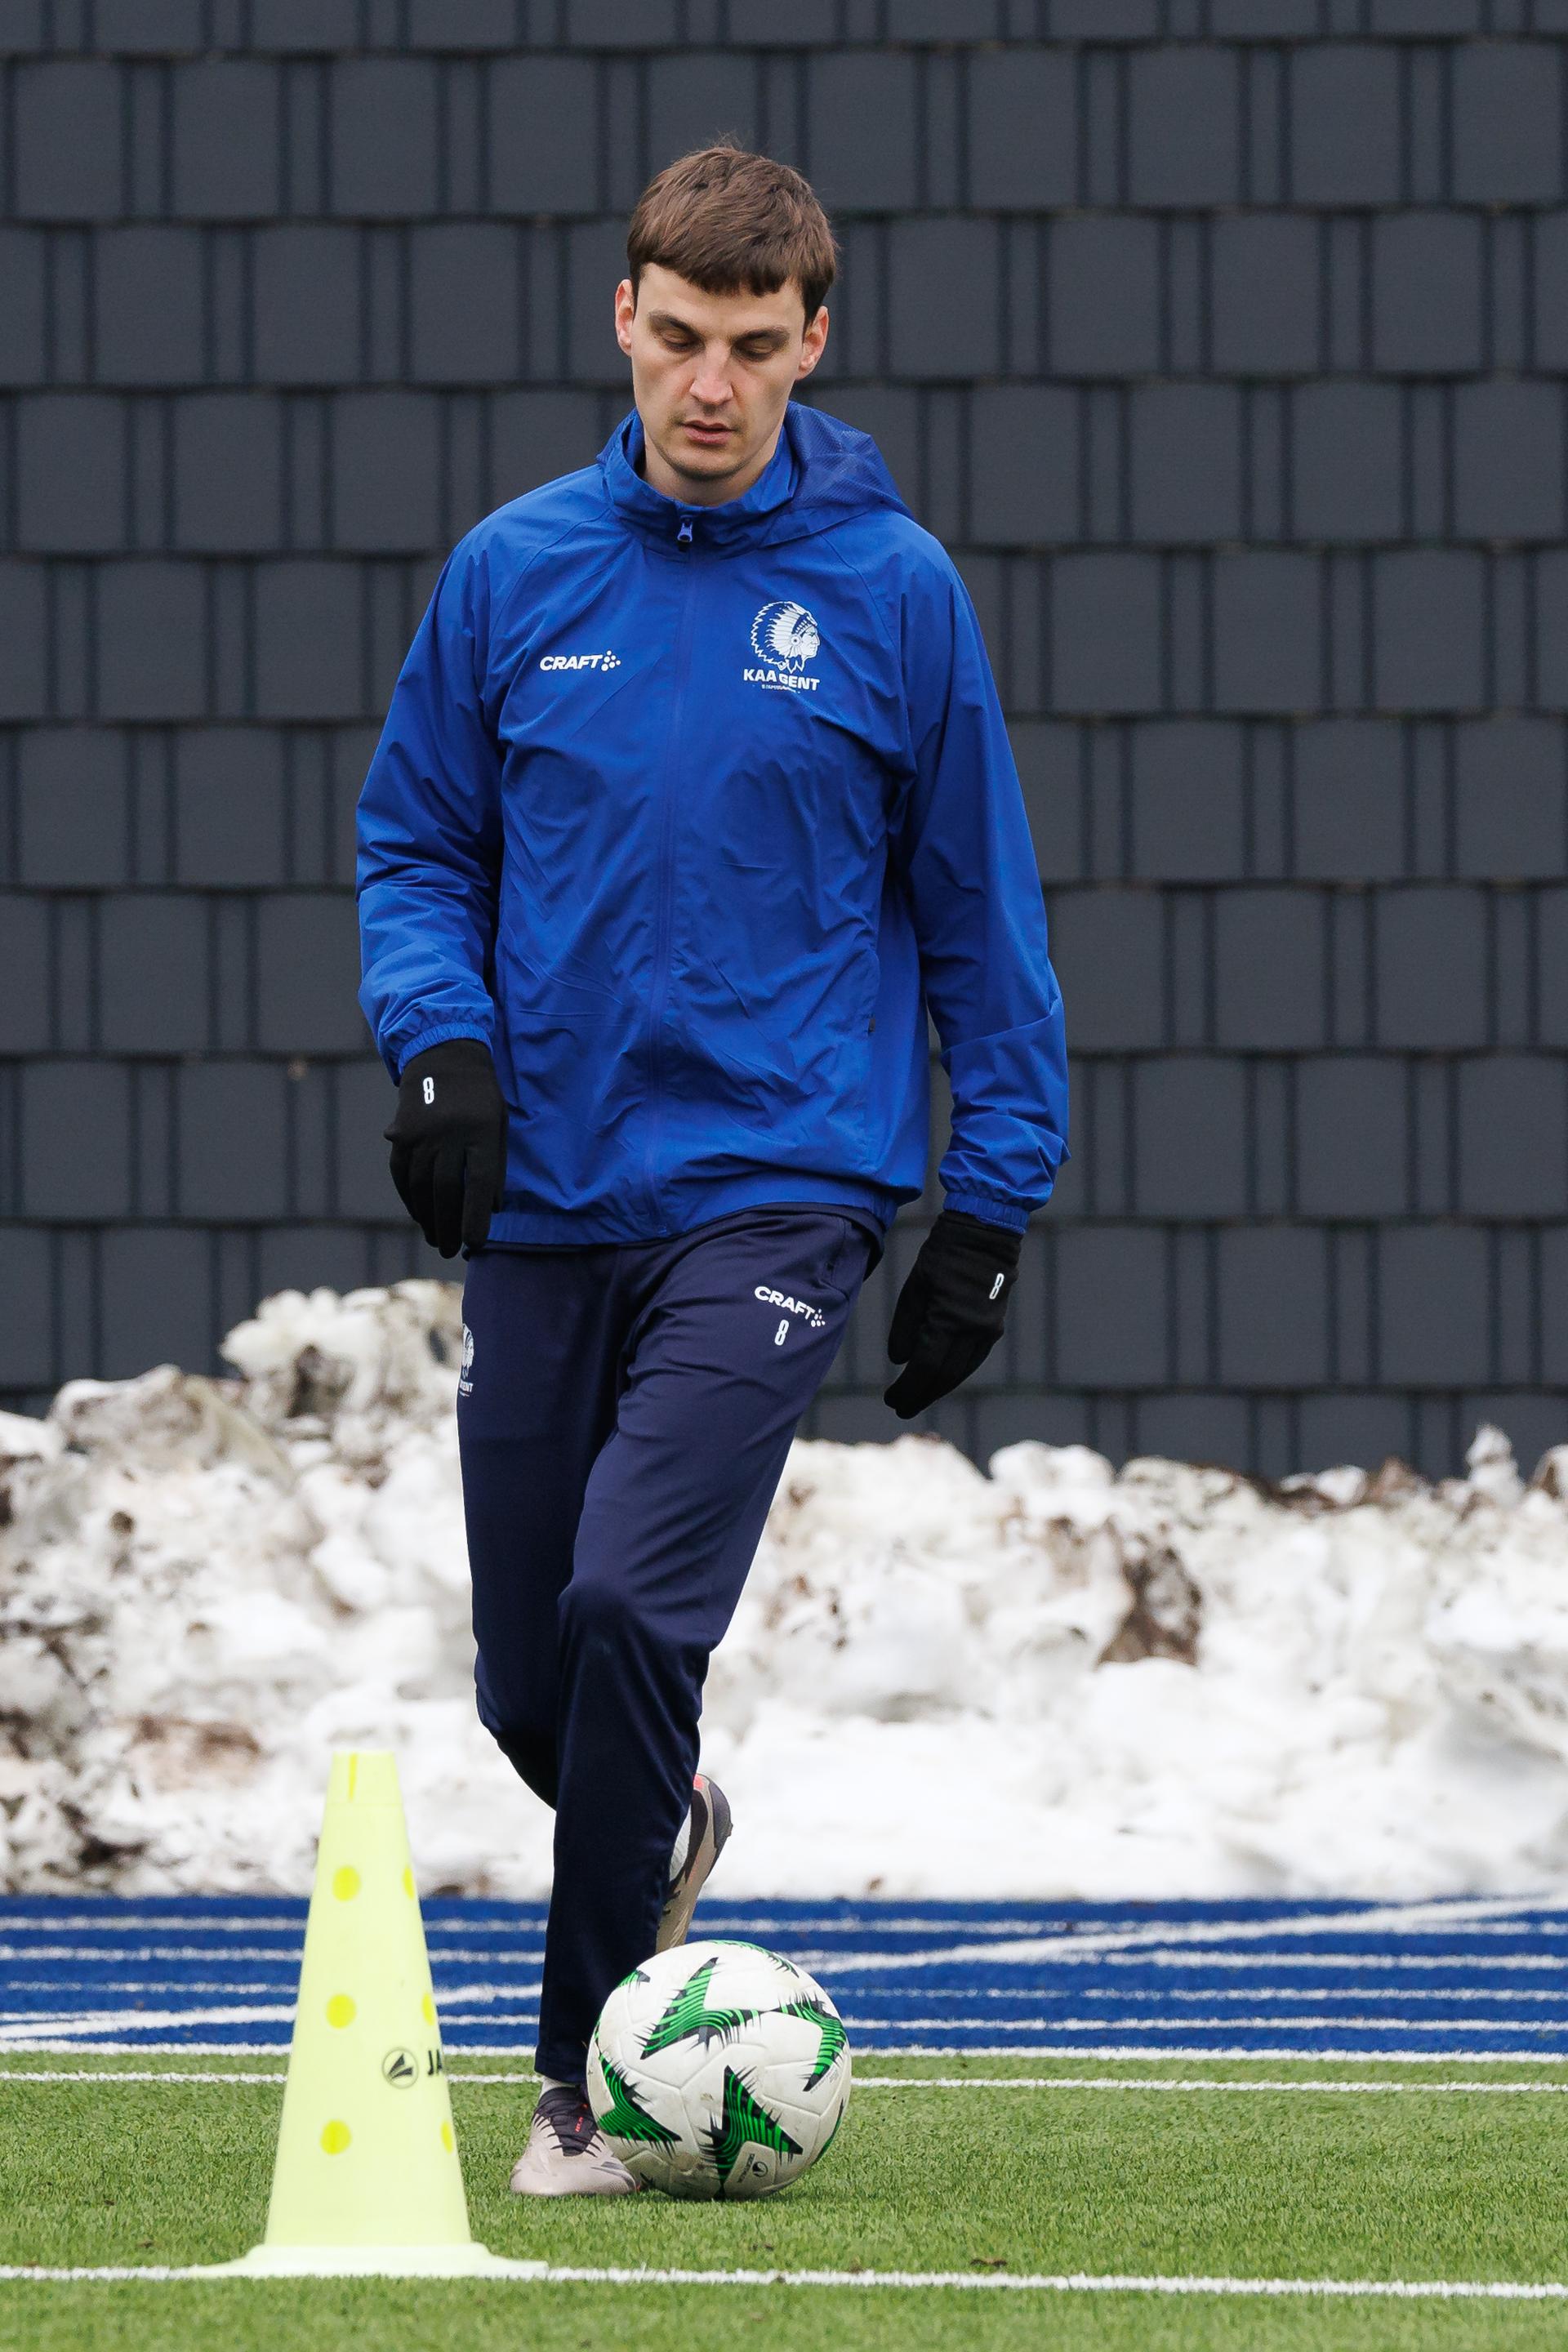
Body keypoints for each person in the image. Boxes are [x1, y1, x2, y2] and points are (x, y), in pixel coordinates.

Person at [355, 144, 1068, 2194]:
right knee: (526, 1675)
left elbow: (979, 923)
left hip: (781, 1189)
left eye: (757, 349)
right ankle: (652, 1829)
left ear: (813, 346)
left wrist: (986, 1206)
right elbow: (416, 847)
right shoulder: (512, 574)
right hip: (551, 1197)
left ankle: (585, 2092)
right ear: (623, 324)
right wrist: (446, 1049)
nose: (713, 386)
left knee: (623, 1604)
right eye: (680, 340)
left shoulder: (893, 595)